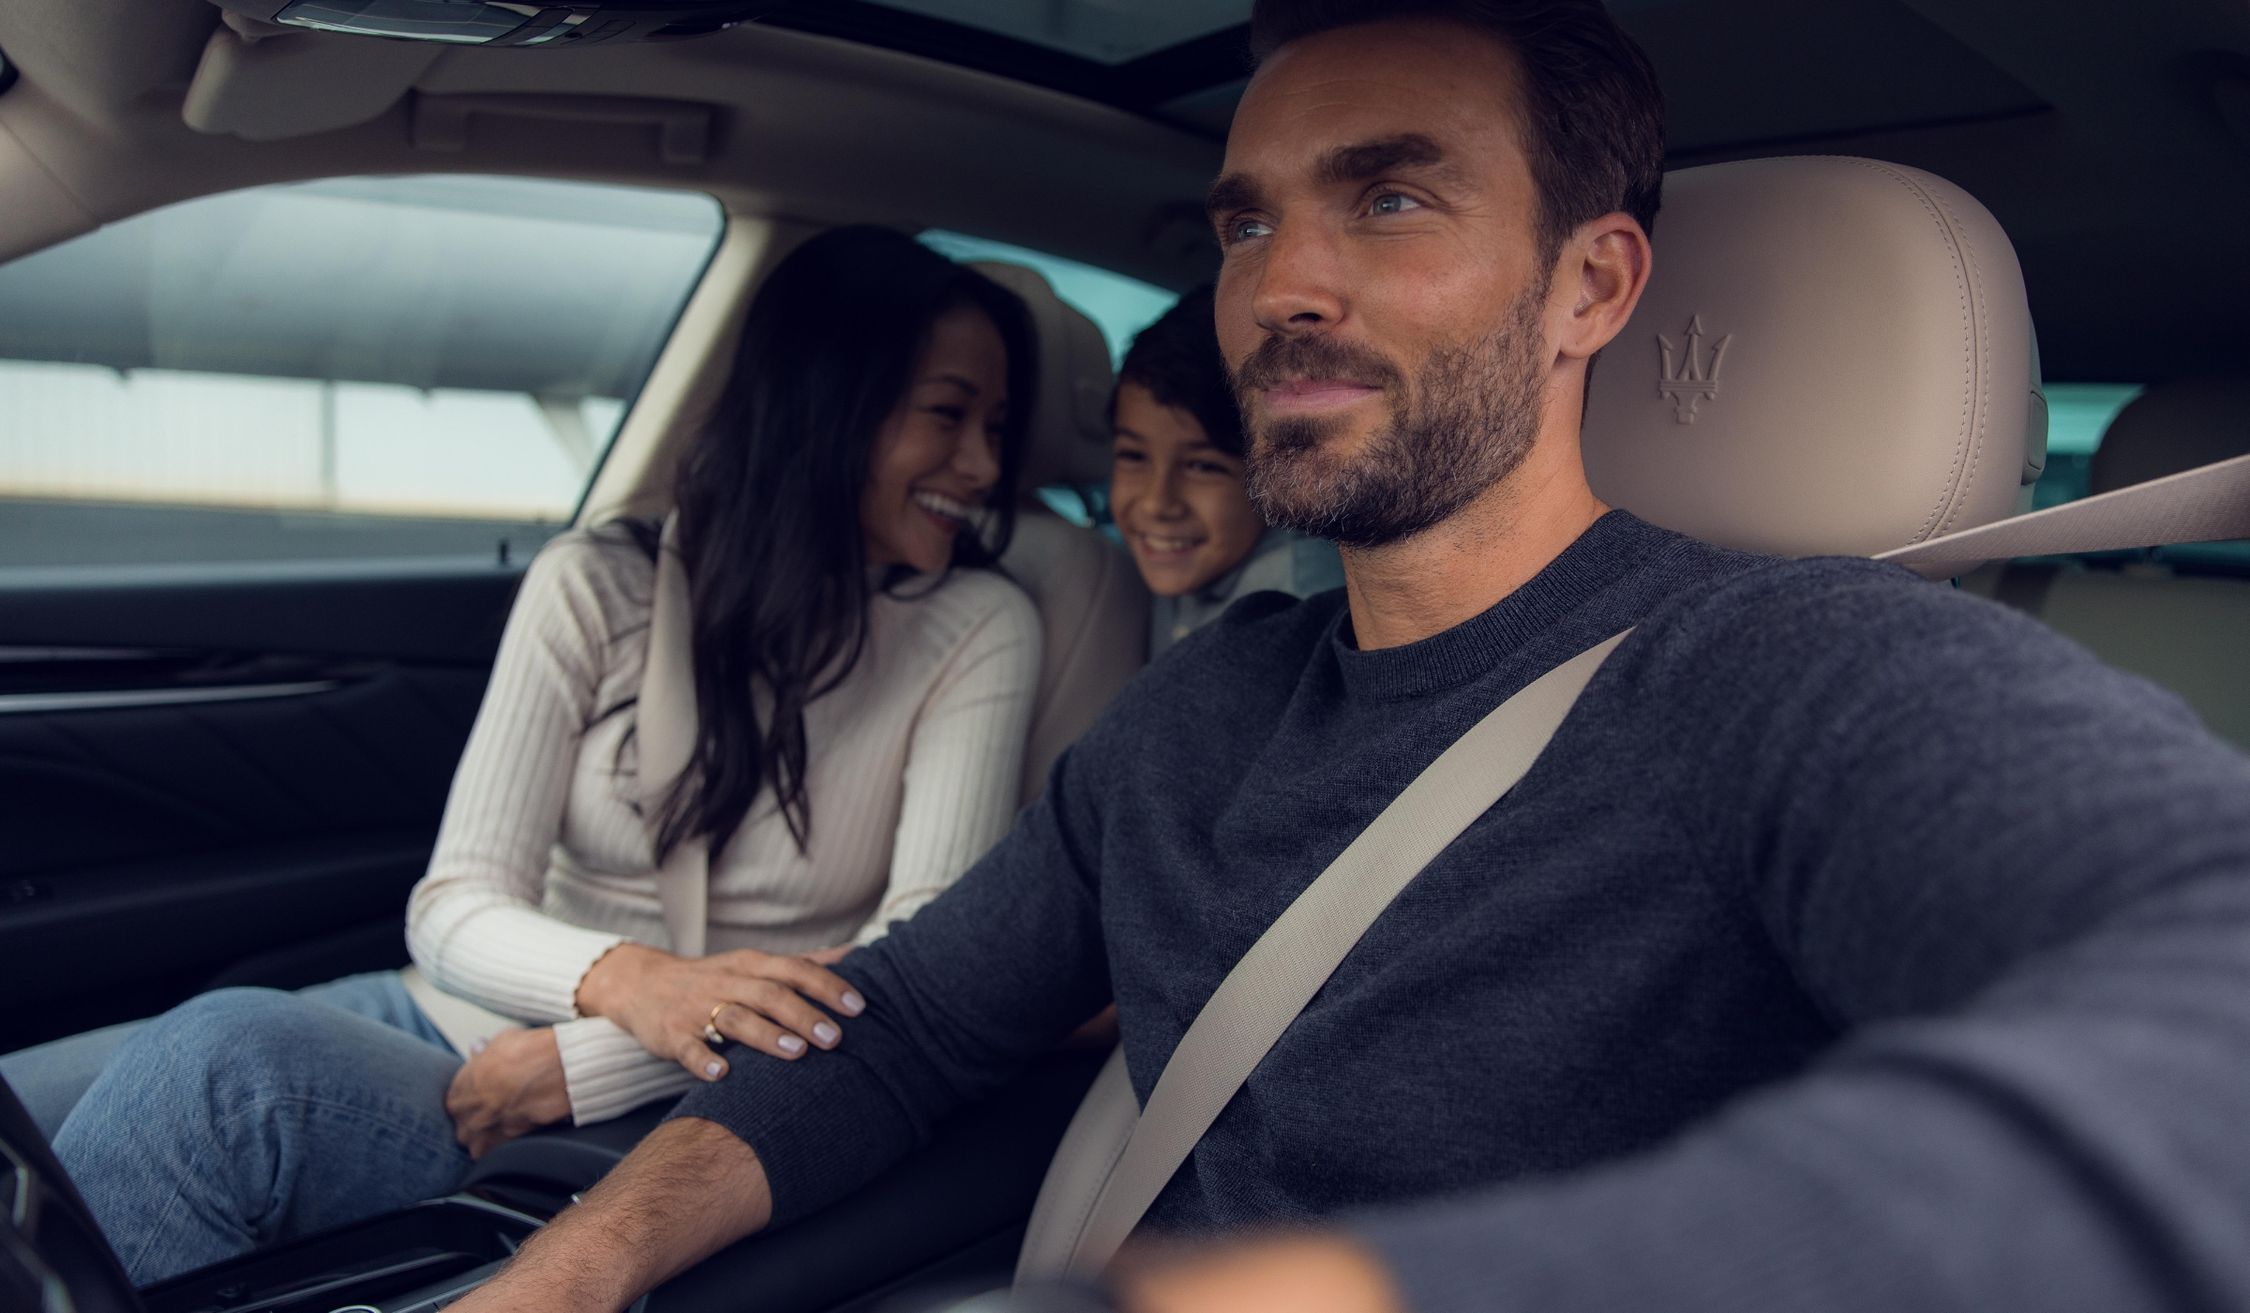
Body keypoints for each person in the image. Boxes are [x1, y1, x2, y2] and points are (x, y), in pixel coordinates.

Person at [448, 4, 2250, 1312]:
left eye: (1392, 198)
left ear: (1591, 290)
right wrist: (573, 1268)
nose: (1280, 283)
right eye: (1248, 218)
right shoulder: (1202, 710)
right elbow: (902, 1033)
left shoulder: (1793, 674)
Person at [25, 226, 1048, 1285]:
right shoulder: (598, 583)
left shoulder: (977, 627)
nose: (980, 466)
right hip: (444, 1011)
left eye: (997, 426)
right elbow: (455, 901)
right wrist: (632, 984)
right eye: (946, 413)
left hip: (689, 1090)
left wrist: (585, 1064)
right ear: (827, 404)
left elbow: (918, 964)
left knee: (216, 1069)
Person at [1108, 286, 1342, 655]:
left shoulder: (1290, 607)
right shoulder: (1131, 568)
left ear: (1277, 471)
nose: (1156, 503)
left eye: (1203, 466)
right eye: (1134, 456)